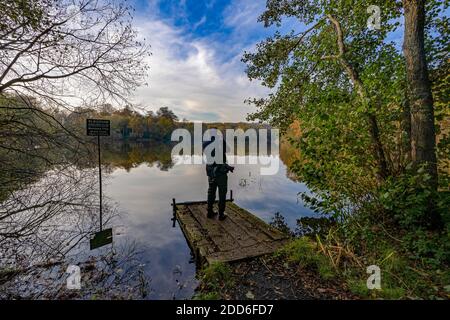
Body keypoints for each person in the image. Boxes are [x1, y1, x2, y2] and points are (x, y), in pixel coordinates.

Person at [203, 133, 234, 220]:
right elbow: (227, 150)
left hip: (210, 172)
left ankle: (209, 212)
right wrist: (222, 139)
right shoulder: (220, 142)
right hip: (220, 173)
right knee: (222, 193)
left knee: (211, 192)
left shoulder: (205, 143)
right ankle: (221, 214)